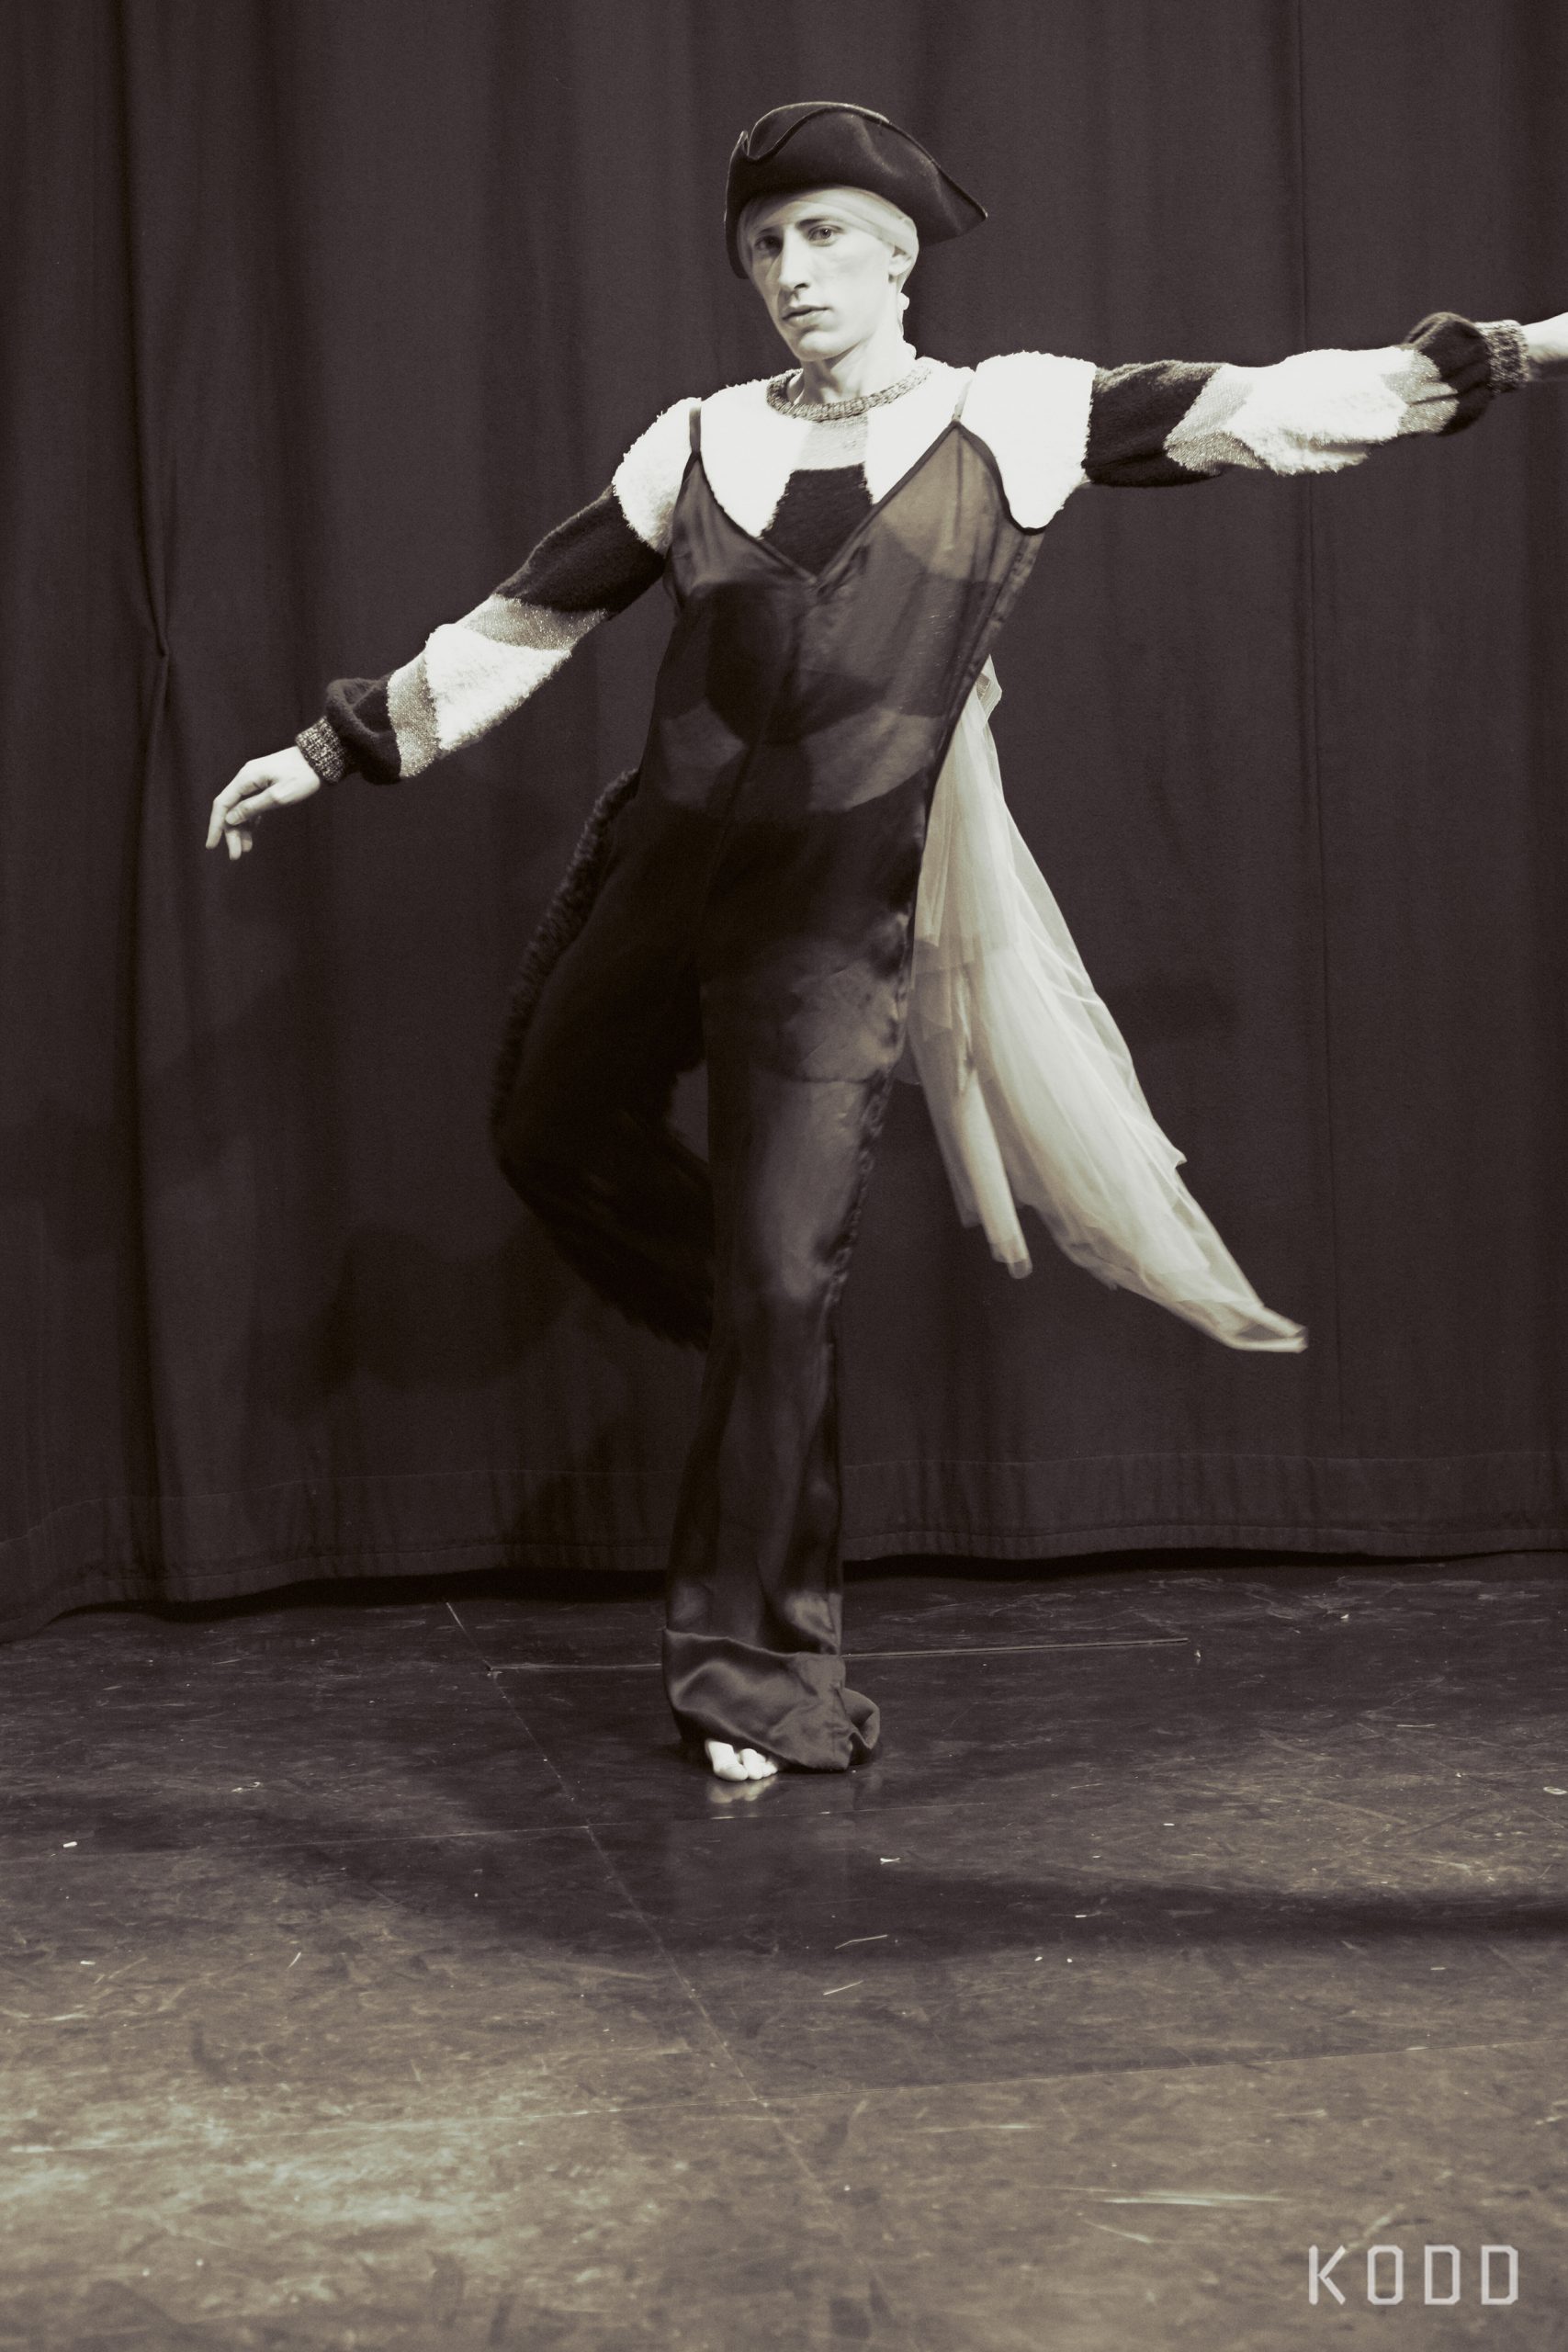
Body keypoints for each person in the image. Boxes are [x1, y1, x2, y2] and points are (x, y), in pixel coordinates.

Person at [208, 101, 1568, 1784]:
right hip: (660, 880)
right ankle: (761, 1344)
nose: (793, 270)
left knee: (787, 1281)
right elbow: (532, 612)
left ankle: (752, 1670)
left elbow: (1274, 407)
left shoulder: (1018, 416)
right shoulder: (695, 442)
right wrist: (337, 746)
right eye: (766, 246)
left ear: (901, 255)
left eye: (826, 237)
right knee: (550, 1134)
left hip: (827, 923)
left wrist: (1517, 349)